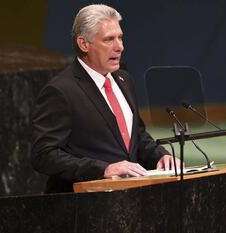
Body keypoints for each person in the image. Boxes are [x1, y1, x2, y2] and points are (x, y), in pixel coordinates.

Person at [31, 4, 180, 193]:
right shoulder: (60, 91)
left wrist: (160, 156)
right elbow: (43, 155)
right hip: (83, 206)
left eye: (120, 37)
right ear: (84, 44)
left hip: (129, 199)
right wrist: (104, 169)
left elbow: (137, 136)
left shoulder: (124, 80)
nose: (120, 47)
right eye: (109, 39)